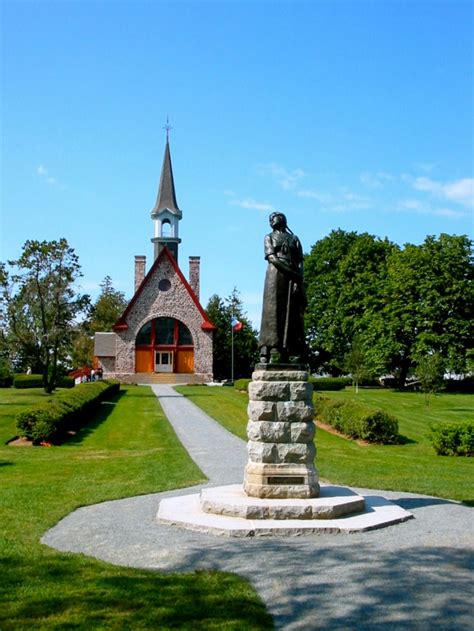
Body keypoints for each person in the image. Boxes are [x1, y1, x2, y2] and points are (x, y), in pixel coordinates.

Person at [258, 212, 306, 364]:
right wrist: (292, 273)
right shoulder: (269, 237)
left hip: (292, 278)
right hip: (275, 275)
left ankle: (290, 350)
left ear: (282, 219)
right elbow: (272, 257)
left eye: (274, 217)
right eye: (270, 218)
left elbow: (300, 261)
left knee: (291, 313)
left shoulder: (294, 239)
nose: (271, 220)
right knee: (273, 312)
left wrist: (298, 279)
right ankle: (270, 349)